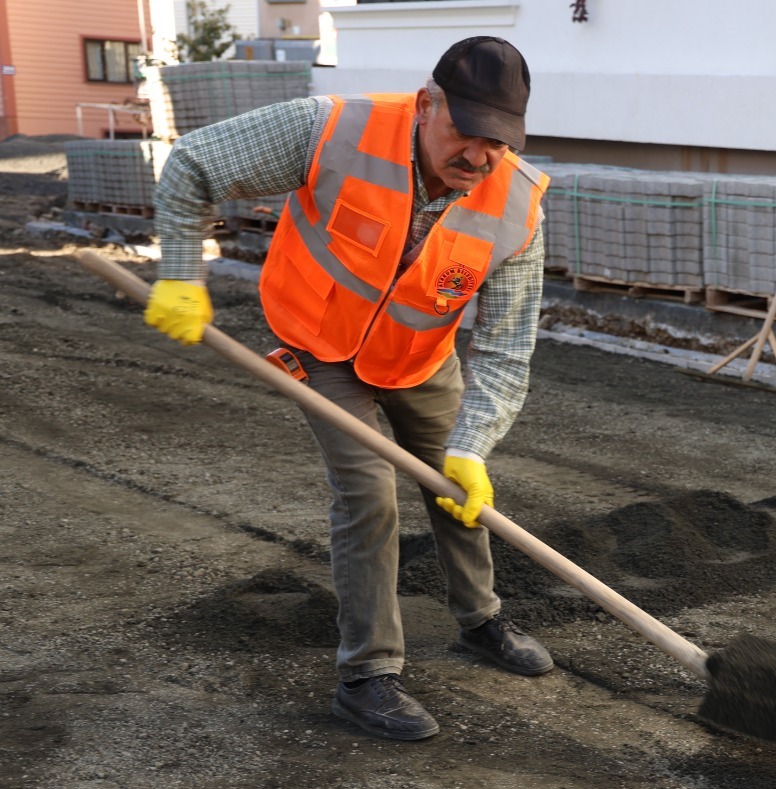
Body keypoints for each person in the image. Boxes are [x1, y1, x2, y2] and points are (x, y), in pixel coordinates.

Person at [144, 37, 555, 742]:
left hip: (419, 357)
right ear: (427, 104)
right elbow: (193, 163)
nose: (480, 155)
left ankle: (480, 619)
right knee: (368, 495)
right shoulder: (333, 129)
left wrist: (474, 444)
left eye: (498, 139)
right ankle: (367, 676)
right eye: (466, 130)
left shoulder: (518, 207)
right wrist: (182, 271)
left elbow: (507, 349)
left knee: (462, 488)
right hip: (320, 342)